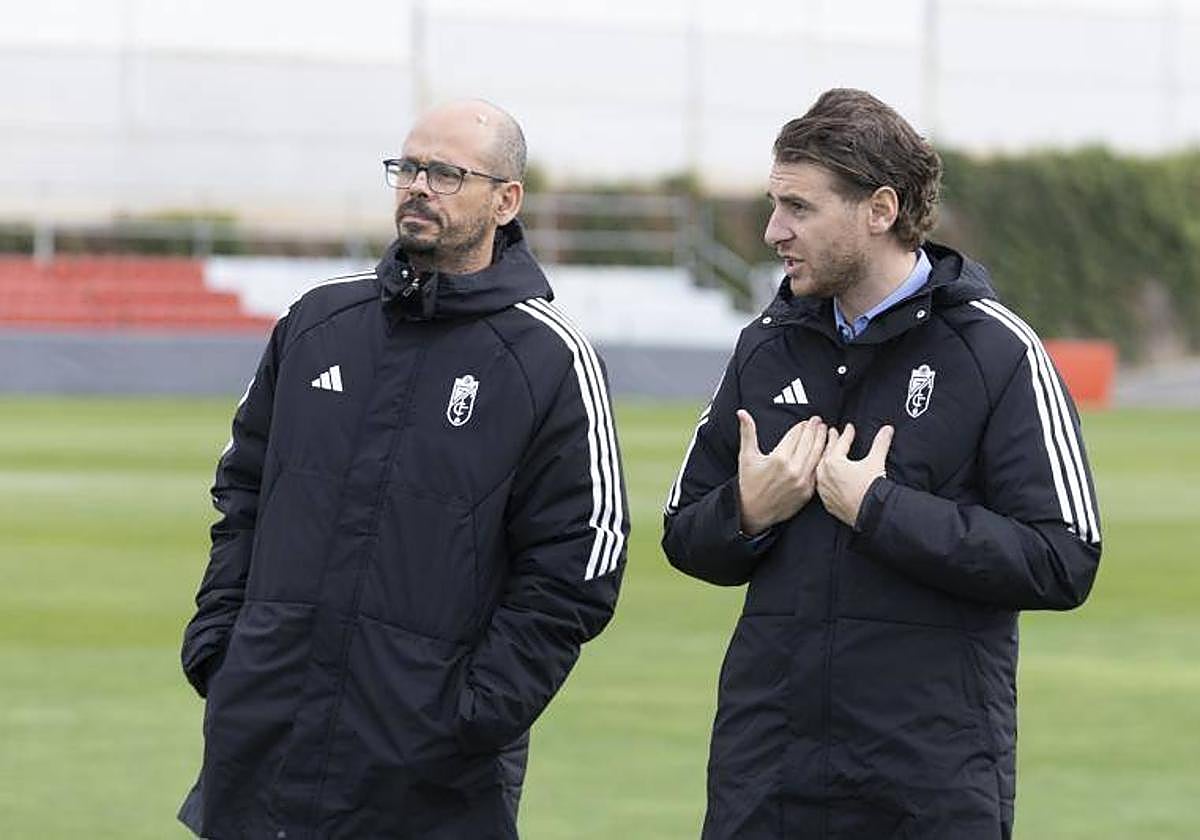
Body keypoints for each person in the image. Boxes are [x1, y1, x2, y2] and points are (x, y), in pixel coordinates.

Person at [178, 99, 628, 839]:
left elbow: (582, 559)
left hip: (430, 778)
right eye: (409, 167)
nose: (419, 186)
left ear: (506, 199)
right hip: (263, 748)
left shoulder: (550, 360)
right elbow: (242, 490)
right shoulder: (317, 323)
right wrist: (222, 649)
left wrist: (476, 711)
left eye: (446, 173)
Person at [662, 88, 1101, 839]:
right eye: (774, 204)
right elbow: (682, 531)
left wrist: (880, 509)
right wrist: (747, 512)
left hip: (926, 788)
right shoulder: (766, 347)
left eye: (799, 207)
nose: (774, 231)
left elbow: (1064, 558)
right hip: (767, 778)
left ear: (880, 209)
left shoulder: (997, 351)